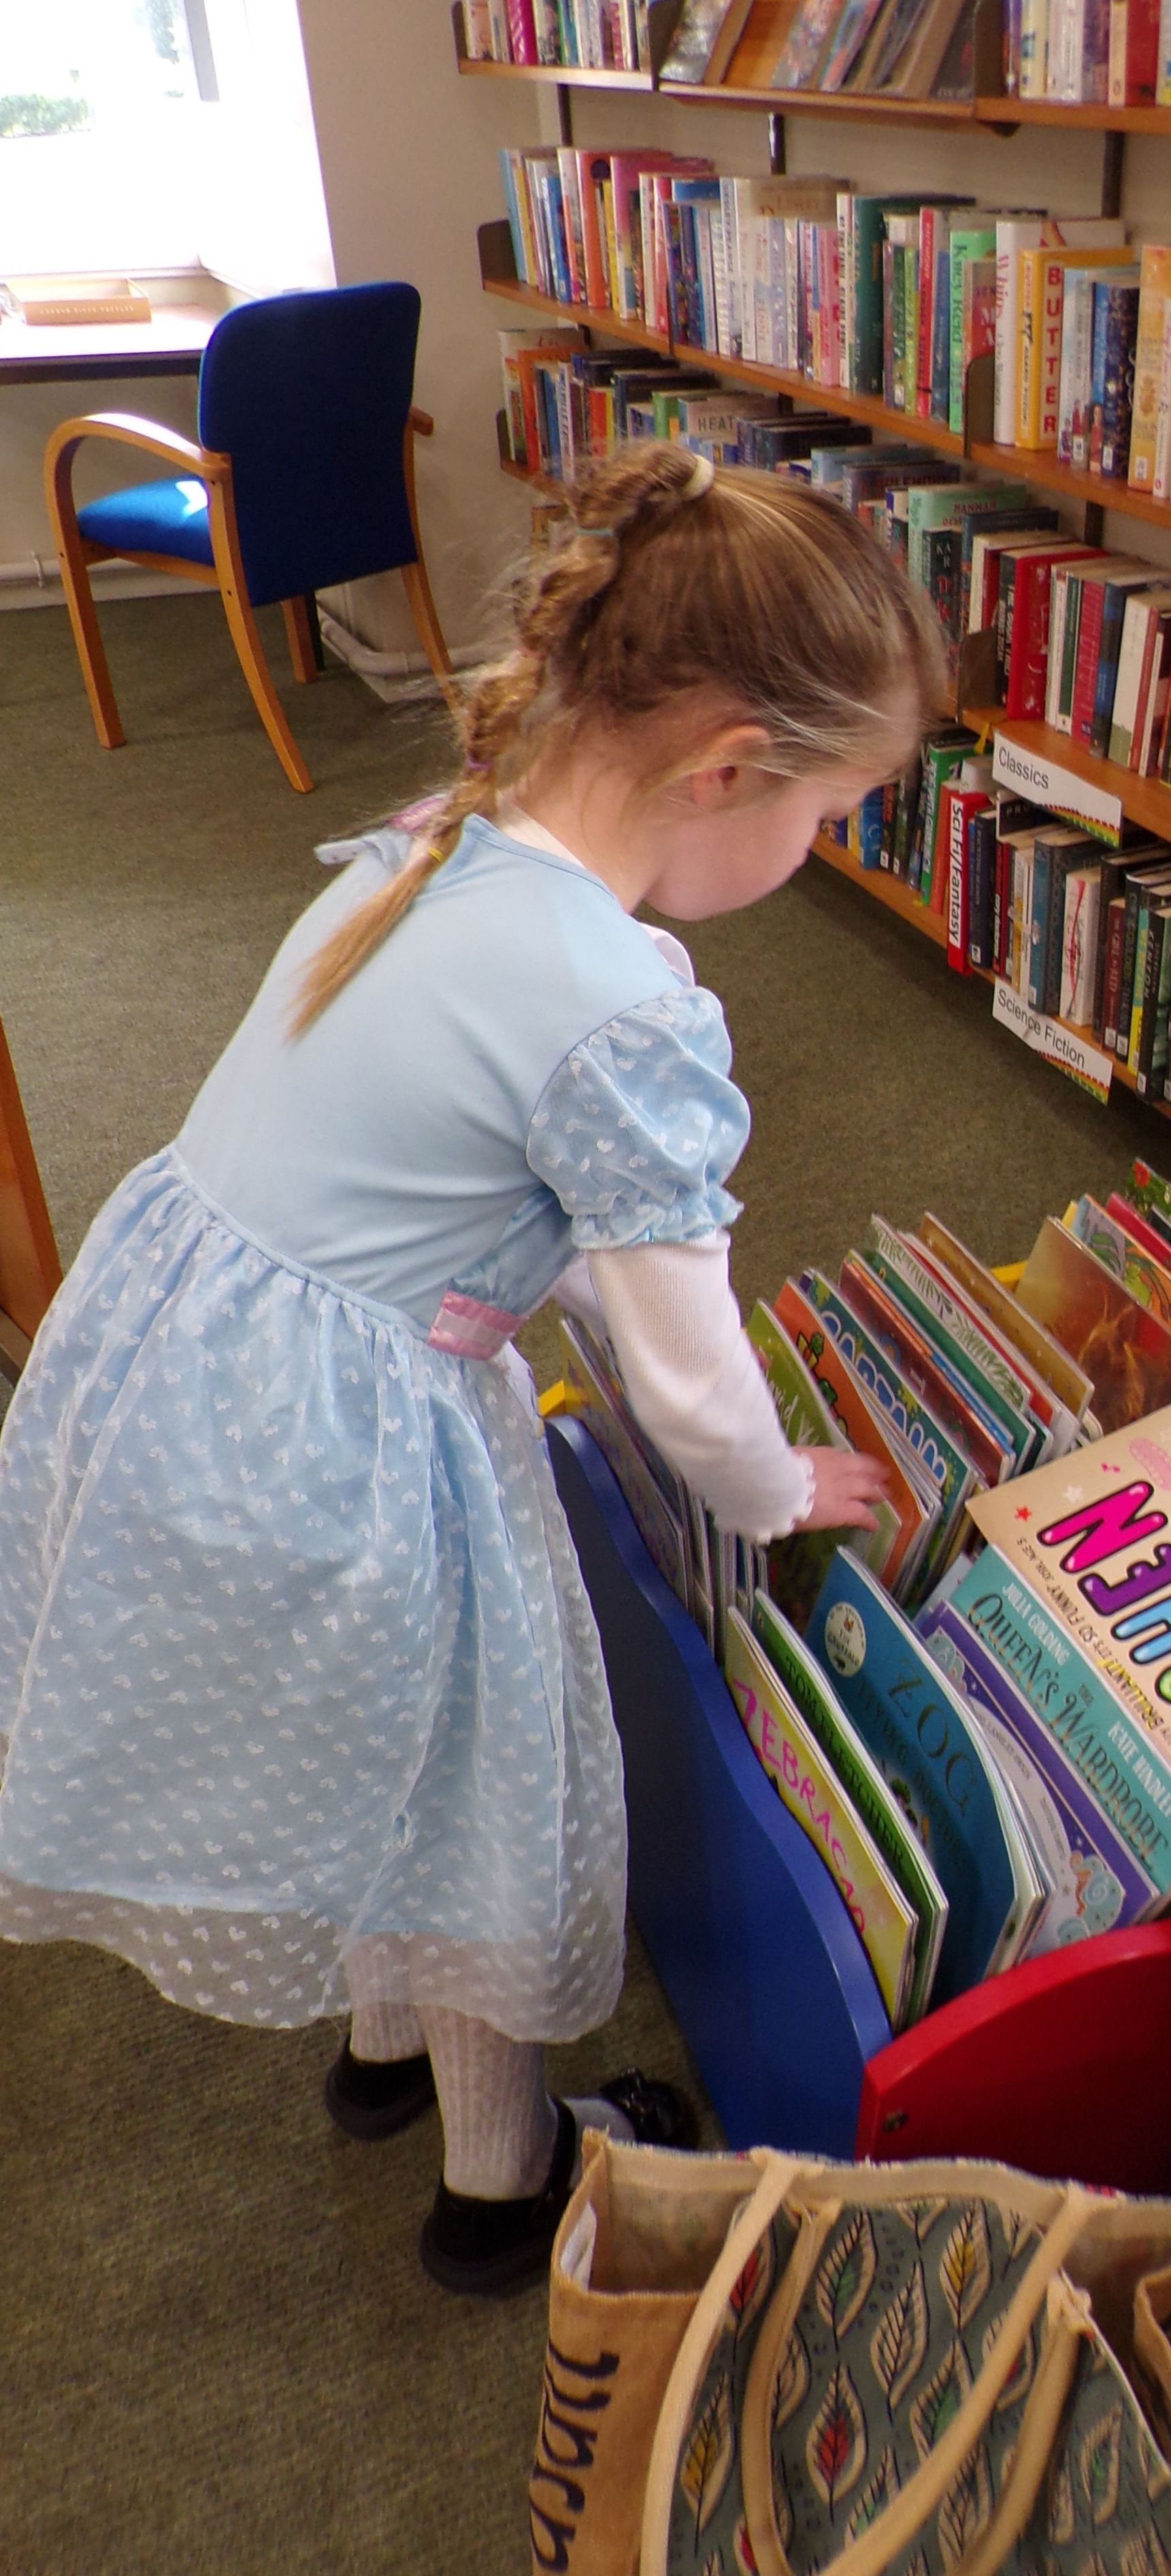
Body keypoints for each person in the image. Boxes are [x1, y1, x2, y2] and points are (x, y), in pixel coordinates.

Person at [0, 442, 942, 2293]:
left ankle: (378, 2055)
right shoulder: (623, 1008)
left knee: (370, 1750)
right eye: (832, 812)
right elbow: (688, 1385)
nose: (816, 852)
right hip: (347, 1441)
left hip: (192, 1372)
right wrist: (772, 1488)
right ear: (730, 766)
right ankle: (503, 2180)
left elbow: (494, 1191)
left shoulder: (445, 841)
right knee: (466, 1796)